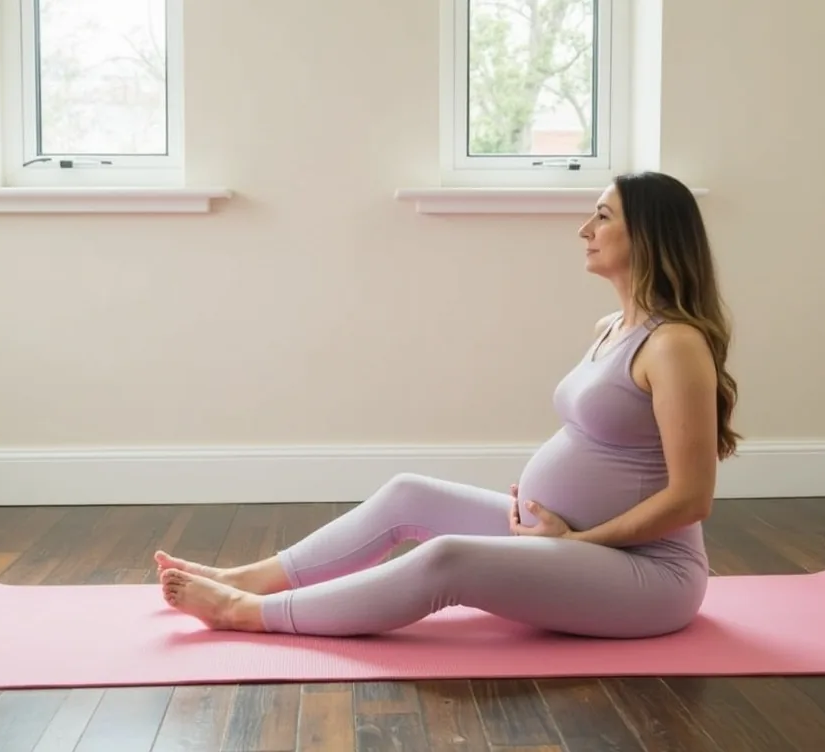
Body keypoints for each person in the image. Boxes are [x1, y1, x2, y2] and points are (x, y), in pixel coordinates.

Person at [154, 170, 740, 639]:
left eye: (603, 216)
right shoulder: (613, 325)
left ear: (650, 235)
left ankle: (245, 613)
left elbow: (692, 499)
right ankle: (252, 579)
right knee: (411, 492)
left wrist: (574, 542)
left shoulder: (675, 344)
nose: (584, 228)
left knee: (448, 559)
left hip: (648, 576)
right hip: (568, 541)